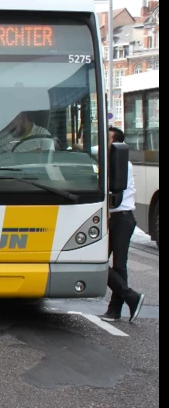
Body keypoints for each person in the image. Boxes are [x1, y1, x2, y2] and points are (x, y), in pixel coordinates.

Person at [101, 126, 146, 323]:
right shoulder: (109, 161)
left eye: (108, 139)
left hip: (122, 218)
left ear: (117, 144)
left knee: (111, 265)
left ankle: (127, 300)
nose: (105, 143)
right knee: (107, 263)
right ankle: (119, 307)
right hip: (114, 219)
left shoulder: (121, 164)